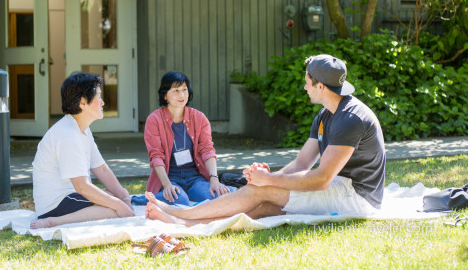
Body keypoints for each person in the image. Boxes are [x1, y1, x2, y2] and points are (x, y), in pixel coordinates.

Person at [145, 54, 386, 226]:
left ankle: (184, 215)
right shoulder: (325, 115)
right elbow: (302, 164)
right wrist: (270, 178)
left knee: (260, 191)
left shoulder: (351, 118)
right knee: (264, 208)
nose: (304, 87)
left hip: (356, 198)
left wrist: (269, 180)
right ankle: (182, 221)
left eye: (307, 81)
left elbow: (322, 179)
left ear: (320, 86)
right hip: (339, 188)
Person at [30, 72, 134, 229]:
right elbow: (81, 186)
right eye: (98, 97)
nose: (103, 102)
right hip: (55, 205)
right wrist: (119, 206)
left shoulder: (82, 129)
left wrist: (124, 197)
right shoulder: (68, 134)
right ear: (83, 102)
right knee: (113, 207)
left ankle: (109, 205)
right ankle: (54, 222)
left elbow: (102, 170)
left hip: (72, 197)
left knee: (114, 198)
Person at [134, 71, 236, 206]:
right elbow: (156, 156)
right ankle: (139, 199)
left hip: (194, 179)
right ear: (165, 95)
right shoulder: (154, 119)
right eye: (176, 90)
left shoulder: (199, 118)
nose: (182, 95)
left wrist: (214, 180)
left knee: (230, 193)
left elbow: (207, 150)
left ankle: (170, 196)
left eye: (184, 89)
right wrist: (167, 185)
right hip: (170, 178)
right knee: (180, 199)